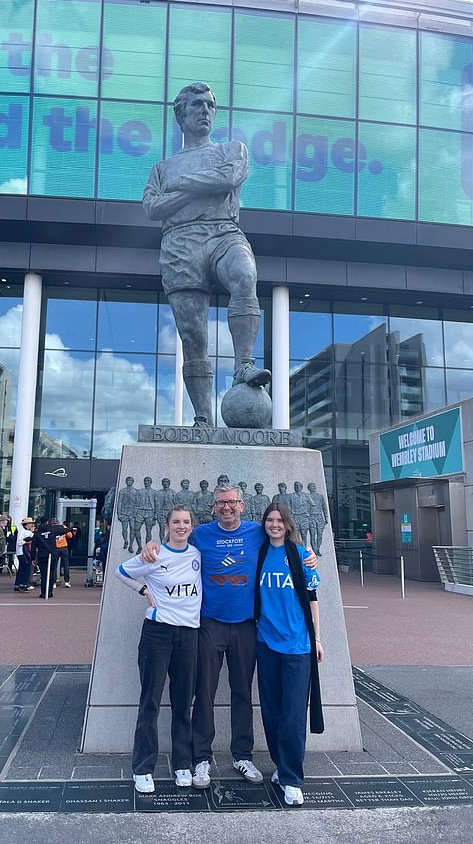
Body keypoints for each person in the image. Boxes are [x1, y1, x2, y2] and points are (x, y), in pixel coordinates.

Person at [142, 483, 317, 789]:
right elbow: (176, 542)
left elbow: (283, 538)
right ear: (213, 507)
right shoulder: (202, 534)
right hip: (209, 624)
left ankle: (242, 754)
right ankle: (201, 759)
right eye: (221, 503)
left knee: (242, 692)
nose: (226, 507)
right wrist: (151, 547)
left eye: (232, 502)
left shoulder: (257, 532)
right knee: (204, 692)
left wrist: (308, 554)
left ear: (242, 505)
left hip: (248, 626)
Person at [143, 82, 270, 427]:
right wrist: (202, 184)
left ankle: (244, 364)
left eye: (210, 106)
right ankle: (203, 418)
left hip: (222, 231)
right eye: (197, 105)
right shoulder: (162, 168)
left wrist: (182, 186)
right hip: (179, 243)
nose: (205, 111)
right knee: (193, 336)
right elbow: (153, 208)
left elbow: (229, 177)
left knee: (244, 274)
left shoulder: (232, 149)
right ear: (181, 114)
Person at [115, 506, 202, 794]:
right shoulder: (153, 554)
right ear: (166, 526)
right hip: (158, 634)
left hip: (189, 634)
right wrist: (143, 592)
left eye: (186, 522)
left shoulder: (197, 554)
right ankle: (143, 768)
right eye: (176, 522)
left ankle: (182, 764)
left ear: (192, 526)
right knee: (150, 702)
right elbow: (121, 572)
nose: (181, 526)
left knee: (183, 703)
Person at [254, 503, 324, 807]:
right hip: (266, 643)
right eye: (269, 520)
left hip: (297, 645)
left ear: (288, 524)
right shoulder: (259, 554)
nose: (274, 524)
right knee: (271, 709)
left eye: (279, 520)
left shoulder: (299, 555)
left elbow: (312, 598)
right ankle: (281, 766)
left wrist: (317, 638)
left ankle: (293, 778)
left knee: (294, 713)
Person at [33, 517, 68, 598]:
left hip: (42, 555)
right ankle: (50, 591)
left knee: (44, 574)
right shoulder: (52, 530)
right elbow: (63, 531)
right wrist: (71, 529)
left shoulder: (37, 533)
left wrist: (33, 558)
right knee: (51, 573)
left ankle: (43, 592)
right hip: (53, 555)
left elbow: (34, 547)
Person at [14, 517, 35, 592]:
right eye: (30, 524)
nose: (32, 525)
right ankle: (22, 584)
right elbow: (19, 542)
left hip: (21, 552)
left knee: (22, 569)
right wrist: (26, 541)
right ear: (27, 524)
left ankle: (18, 584)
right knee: (25, 569)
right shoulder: (24, 532)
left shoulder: (23, 531)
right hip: (23, 553)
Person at [55, 522, 73, 588]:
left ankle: (53, 581)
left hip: (55, 547)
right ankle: (67, 581)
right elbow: (70, 535)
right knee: (66, 564)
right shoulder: (63, 527)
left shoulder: (52, 528)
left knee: (54, 565)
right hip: (63, 547)